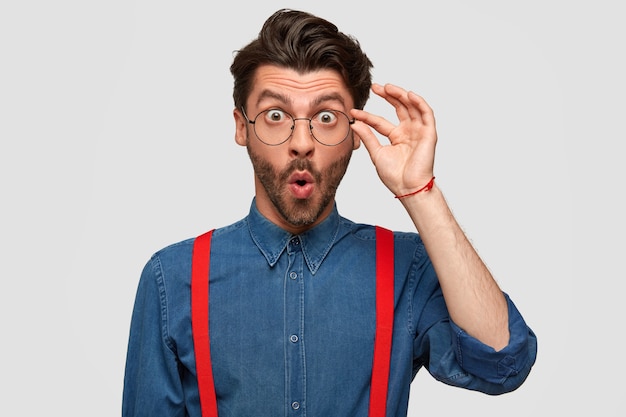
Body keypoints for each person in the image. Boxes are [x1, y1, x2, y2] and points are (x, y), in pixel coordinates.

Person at [122, 8, 537, 417]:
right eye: (275, 115)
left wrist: (420, 192)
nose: (301, 141)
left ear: (355, 133)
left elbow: (503, 363)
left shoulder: (405, 268)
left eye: (325, 117)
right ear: (241, 127)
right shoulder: (171, 278)